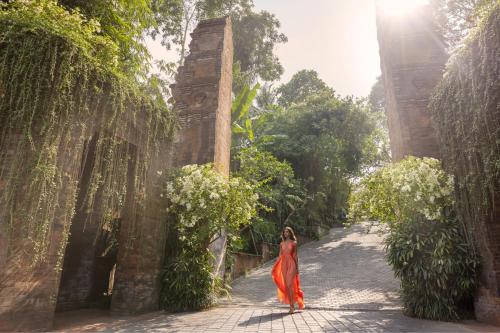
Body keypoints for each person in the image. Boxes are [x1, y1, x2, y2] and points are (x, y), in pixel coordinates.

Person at [271, 226, 305, 314]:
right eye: (285, 232)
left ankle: (292, 307)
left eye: (287, 232)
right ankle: (291, 305)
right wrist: (275, 266)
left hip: (291, 264)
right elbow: (280, 256)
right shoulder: (281, 244)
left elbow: (295, 256)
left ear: (290, 233)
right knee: (287, 285)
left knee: (290, 284)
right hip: (284, 265)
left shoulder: (294, 243)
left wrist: (297, 268)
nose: (286, 233)